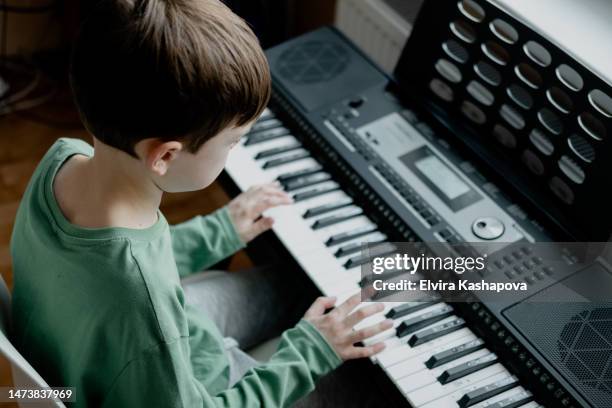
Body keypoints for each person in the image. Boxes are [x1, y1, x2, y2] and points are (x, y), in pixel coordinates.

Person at [10, 0, 392, 406]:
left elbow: (125, 260)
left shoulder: (62, 160)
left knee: (299, 283)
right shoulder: (143, 305)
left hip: (131, 348)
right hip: (194, 384)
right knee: (370, 383)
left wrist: (221, 230)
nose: (234, 149)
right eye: (233, 141)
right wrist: (310, 353)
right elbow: (136, 281)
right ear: (166, 156)